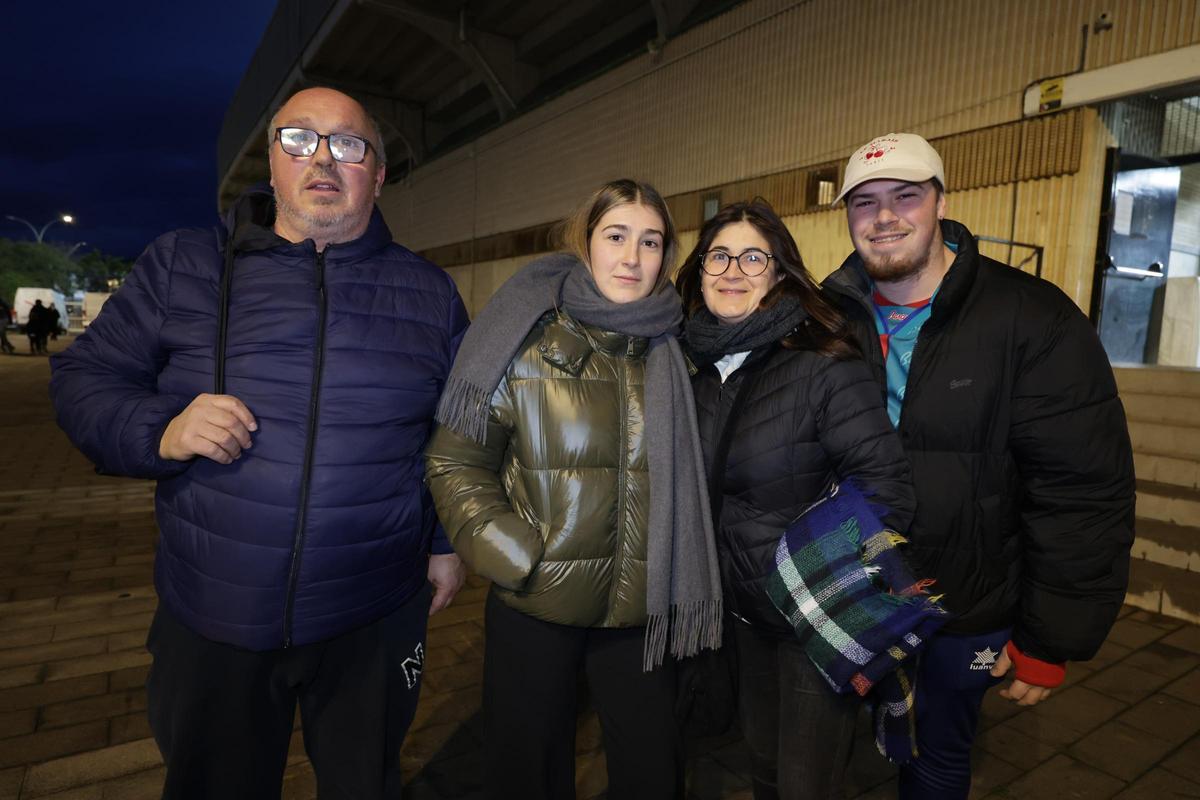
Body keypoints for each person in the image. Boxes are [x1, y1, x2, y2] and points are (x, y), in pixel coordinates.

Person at [50, 87, 470, 800]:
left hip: (374, 612)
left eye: (349, 144)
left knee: (367, 782)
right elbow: (85, 377)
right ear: (271, 161)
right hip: (214, 612)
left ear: (378, 172)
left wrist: (443, 539)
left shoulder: (427, 292)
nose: (324, 160)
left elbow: (451, 434)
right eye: (300, 140)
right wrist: (163, 429)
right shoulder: (184, 265)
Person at [822, 133, 1135, 799]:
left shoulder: (1030, 316)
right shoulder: (827, 320)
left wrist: (1053, 639)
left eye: (906, 196)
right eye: (865, 202)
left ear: (940, 201)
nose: (885, 217)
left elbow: (1080, 489)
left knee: (935, 761)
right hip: (853, 598)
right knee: (834, 756)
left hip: (963, 605)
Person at [425, 178, 722, 800]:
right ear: (586, 242)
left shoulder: (678, 350)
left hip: (645, 609)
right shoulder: (524, 345)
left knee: (652, 773)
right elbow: (456, 461)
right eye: (616, 236)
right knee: (525, 771)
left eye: (650, 241)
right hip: (537, 605)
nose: (631, 257)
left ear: (665, 256)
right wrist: (515, 555)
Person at [675, 199, 916, 800]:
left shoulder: (821, 362)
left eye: (753, 257)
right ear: (699, 271)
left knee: (806, 783)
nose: (733, 270)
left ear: (780, 273)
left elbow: (886, 484)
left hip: (811, 620)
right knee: (762, 770)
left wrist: (813, 577)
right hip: (744, 617)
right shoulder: (696, 367)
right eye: (719, 256)